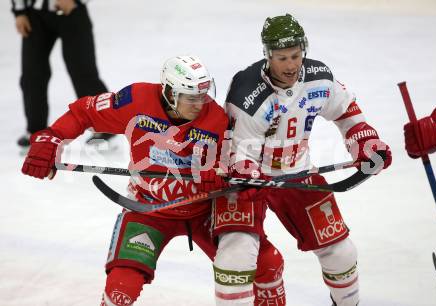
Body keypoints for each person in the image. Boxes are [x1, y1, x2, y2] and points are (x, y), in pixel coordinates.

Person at [21, 55, 285, 306]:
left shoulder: (217, 118)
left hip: (206, 210)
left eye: (203, 96)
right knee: (120, 288)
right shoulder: (135, 100)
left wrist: (240, 177)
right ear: (170, 93)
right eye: (191, 98)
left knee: (267, 264)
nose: (199, 104)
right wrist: (51, 137)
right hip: (149, 208)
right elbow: (84, 113)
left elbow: (242, 160)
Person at [224, 14, 392, 306]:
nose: (290, 66)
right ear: (267, 55)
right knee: (238, 258)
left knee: (341, 253)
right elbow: (237, 151)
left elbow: (347, 113)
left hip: (297, 174)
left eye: (295, 56)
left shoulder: (318, 76)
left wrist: (366, 142)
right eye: (281, 58)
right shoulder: (246, 92)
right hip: (250, 183)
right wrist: (244, 173)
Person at [11, 0, 113, 148]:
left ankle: (105, 125)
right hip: (35, 15)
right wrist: (19, 12)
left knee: (83, 72)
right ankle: (36, 130)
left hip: (72, 12)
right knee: (32, 74)